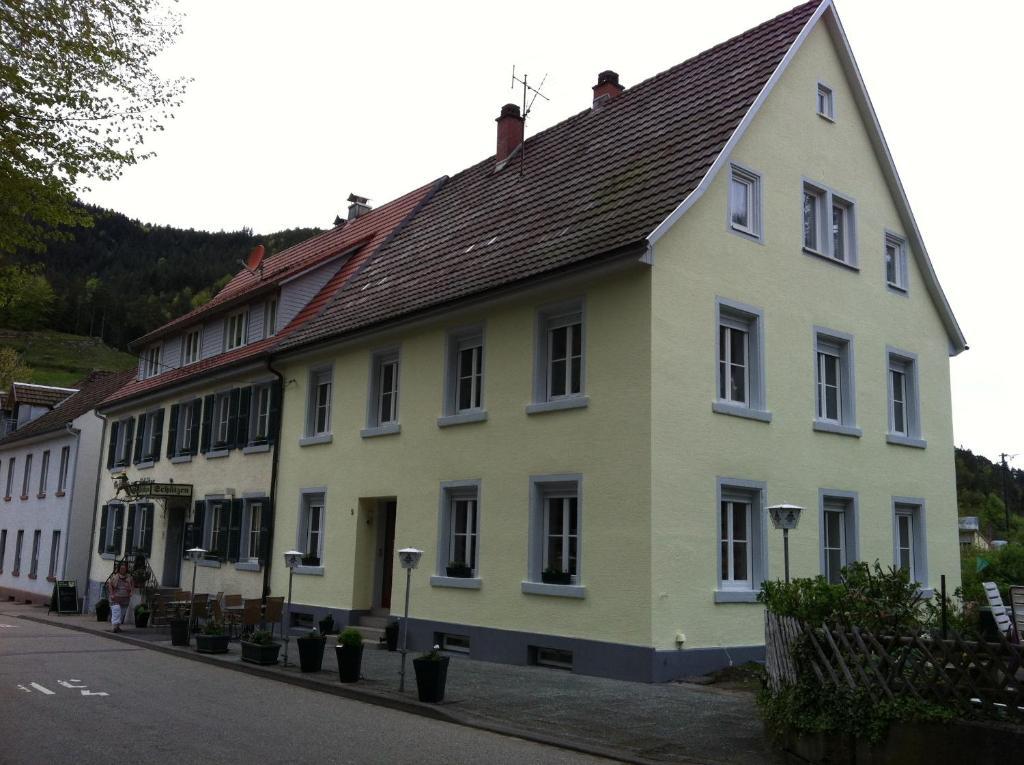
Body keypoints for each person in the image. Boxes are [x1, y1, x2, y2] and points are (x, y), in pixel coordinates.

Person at [107, 563, 134, 633]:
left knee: (122, 614)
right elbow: (110, 585)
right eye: (121, 568)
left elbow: (132, 585)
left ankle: (117, 627)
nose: (123, 570)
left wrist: (131, 592)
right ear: (119, 569)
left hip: (125, 599)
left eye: (124, 569)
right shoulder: (115, 577)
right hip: (116, 598)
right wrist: (112, 594)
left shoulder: (129, 577)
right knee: (116, 612)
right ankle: (114, 627)